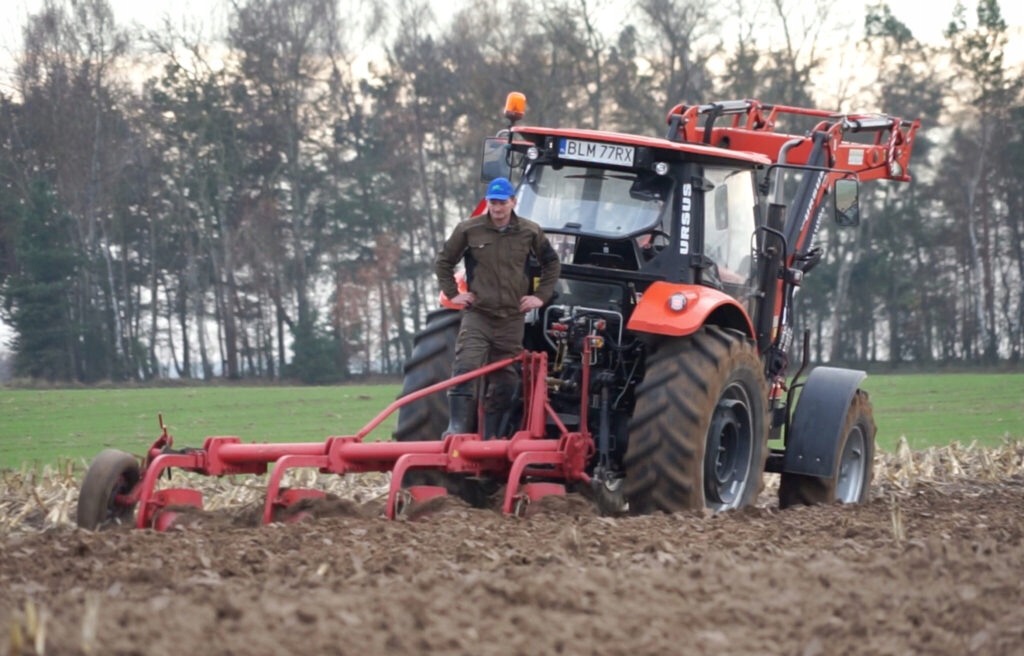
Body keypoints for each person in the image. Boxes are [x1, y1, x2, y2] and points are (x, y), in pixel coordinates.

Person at [435, 176, 561, 437]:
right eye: (493, 202)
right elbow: (444, 261)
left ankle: (492, 434)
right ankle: (455, 427)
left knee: (507, 380)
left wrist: (540, 297)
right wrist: (452, 293)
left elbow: (551, 263)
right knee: (465, 368)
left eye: (502, 203)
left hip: (511, 319)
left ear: (513, 202)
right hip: (478, 316)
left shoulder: (530, 231)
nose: (497, 208)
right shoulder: (469, 229)